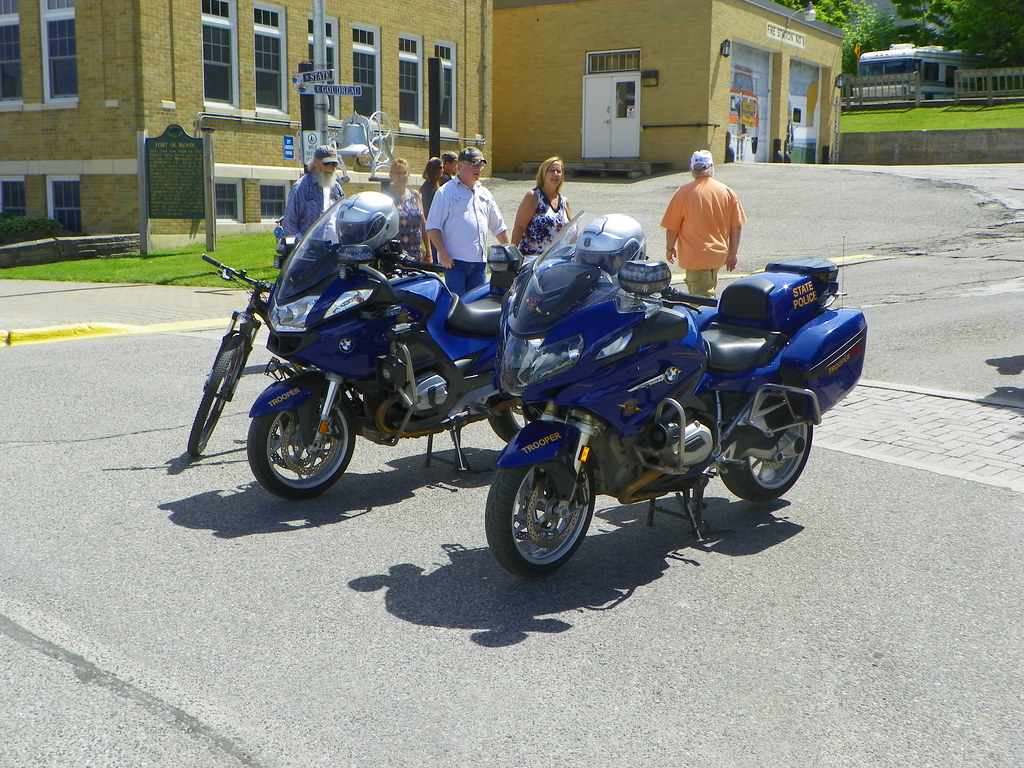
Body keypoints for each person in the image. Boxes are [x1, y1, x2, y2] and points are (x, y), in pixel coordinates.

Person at [661, 149, 746, 298]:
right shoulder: (727, 192)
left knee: (700, 303)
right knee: (708, 293)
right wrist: (732, 254)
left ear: (692, 169)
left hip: (695, 258)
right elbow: (736, 226)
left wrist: (670, 248)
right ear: (711, 167)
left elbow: (672, 227)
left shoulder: (683, 192)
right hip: (717, 255)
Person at [426, 146, 509, 297]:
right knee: (458, 308)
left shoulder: (485, 194)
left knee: (476, 307)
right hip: (455, 264)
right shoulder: (445, 192)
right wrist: (442, 253)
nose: (478, 169)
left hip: (479, 265)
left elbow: (498, 227)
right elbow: (433, 227)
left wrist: (509, 252)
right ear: (460, 166)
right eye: (473, 165)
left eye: (480, 165)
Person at [511, 156, 572, 256]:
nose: (555, 174)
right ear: (543, 174)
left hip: (557, 260)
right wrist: (511, 254)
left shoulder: (564, 202)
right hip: (533, 260)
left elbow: (572, 231)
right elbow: (519, 227)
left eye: (558, 171)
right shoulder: (533, 196)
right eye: (551, 171)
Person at [281, 145, 345, 239]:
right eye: (326, 164)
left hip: (335, 250)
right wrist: (303, 247)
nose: (330, 168)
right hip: (310, 251)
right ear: (315, 162)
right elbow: (289, 224)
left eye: (334, 164)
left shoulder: (336, 187)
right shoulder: (302, 187)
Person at [388, 157, 430, 262]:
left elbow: (423, 224)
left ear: (408, 174)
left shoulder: (415, 195)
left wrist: (429, 252)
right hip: (395, 255)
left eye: (404, 173)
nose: (401, 176)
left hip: (416, 253)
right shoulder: (386, 197)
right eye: (398, 173)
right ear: (391, 175)